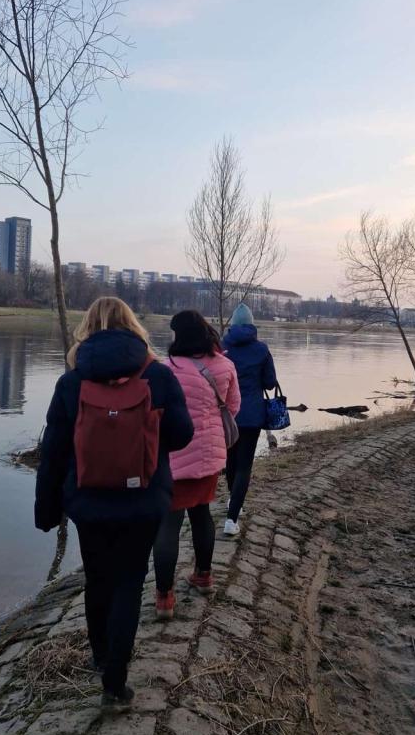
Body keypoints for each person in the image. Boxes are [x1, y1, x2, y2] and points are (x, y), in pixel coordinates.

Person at [35, 297, 193, 706]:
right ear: (134, 327)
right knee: (128, 580)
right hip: (142, 500)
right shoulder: (156, 375)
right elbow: (181, 435)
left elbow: (52, 450)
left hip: (88, 501)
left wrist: (47, 507)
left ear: (86, 328)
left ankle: (101, 658)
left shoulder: (72, 380)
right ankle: (116, 683)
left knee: (97, 579)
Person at [154, 310, 240, 619]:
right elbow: (233, 407)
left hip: (174, 456)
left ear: (181, 335)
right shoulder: (226, 365)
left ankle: (164, 596)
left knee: (168, 523)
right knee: (202, 513)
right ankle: (203, 576)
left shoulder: (168, 368)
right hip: (210, 454)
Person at [222, 303, 278, 537]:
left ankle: (234, 502)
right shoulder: (262, 349)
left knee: (230, 461)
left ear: (232, 324)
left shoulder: (222, 347)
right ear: (252, 324)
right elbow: (269, 383)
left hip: (226, 415)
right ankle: (232, 518)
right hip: (252, 415)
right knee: (245, 465)